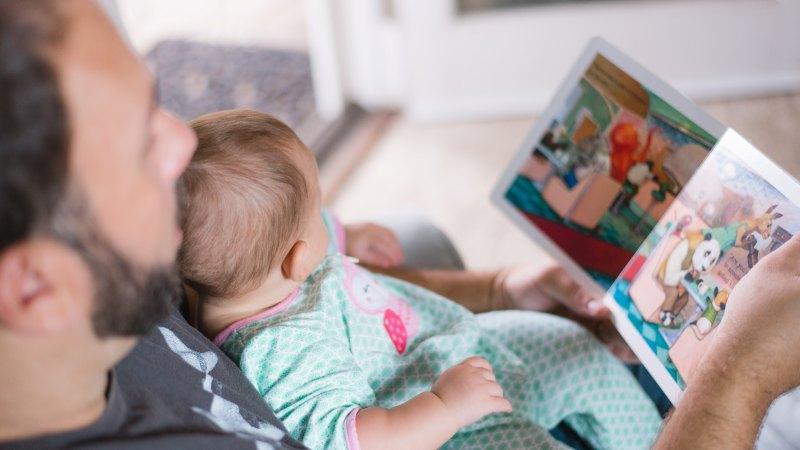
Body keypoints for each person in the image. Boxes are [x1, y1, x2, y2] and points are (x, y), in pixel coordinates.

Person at [0, 1, 797, 449]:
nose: (182, 139)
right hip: (437, 424)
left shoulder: (146, 269)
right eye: (140, 140)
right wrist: (741, 372)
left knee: (417, 234)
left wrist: (488, 285)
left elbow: (302, 282)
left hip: (423, 354)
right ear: (34, 288)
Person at [177, 109, 662, 449]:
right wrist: (445, 407)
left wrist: (347, 234)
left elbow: (294, 233)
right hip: (443, 427)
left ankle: (656, 439)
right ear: (297, 260)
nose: (326, 215)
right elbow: (349, 440)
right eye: (318, 207)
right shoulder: (280, 351)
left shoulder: (247, 272)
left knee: (575, 349)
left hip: (449, 346)